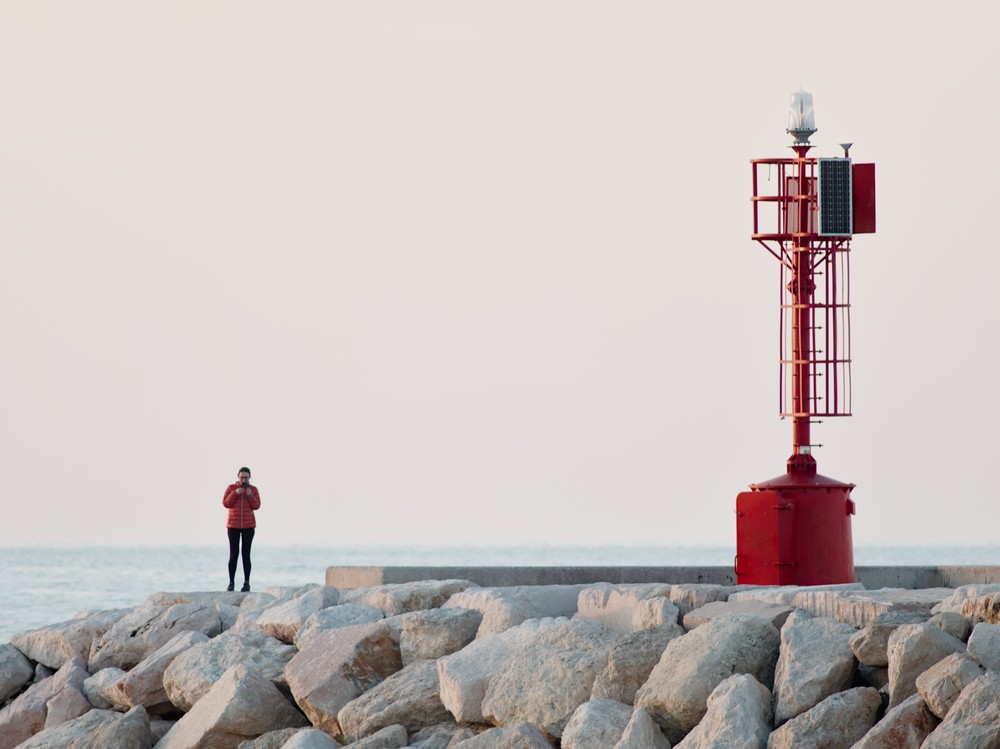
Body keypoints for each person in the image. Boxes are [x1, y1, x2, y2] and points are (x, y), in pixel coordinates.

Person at [222, 466, 260, 592]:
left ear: (249, 478)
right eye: (242, 477)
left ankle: (246, 583)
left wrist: (250, 495)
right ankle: (231, 583)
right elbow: (226, 503)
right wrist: (235, 493)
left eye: (246, 477)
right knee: (233, 554)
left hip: (248, 526)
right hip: (233, 525)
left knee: (246, 554)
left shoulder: (253, 490)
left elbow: (257, 505)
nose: (244, 479)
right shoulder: (231, 488)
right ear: (238, 477)